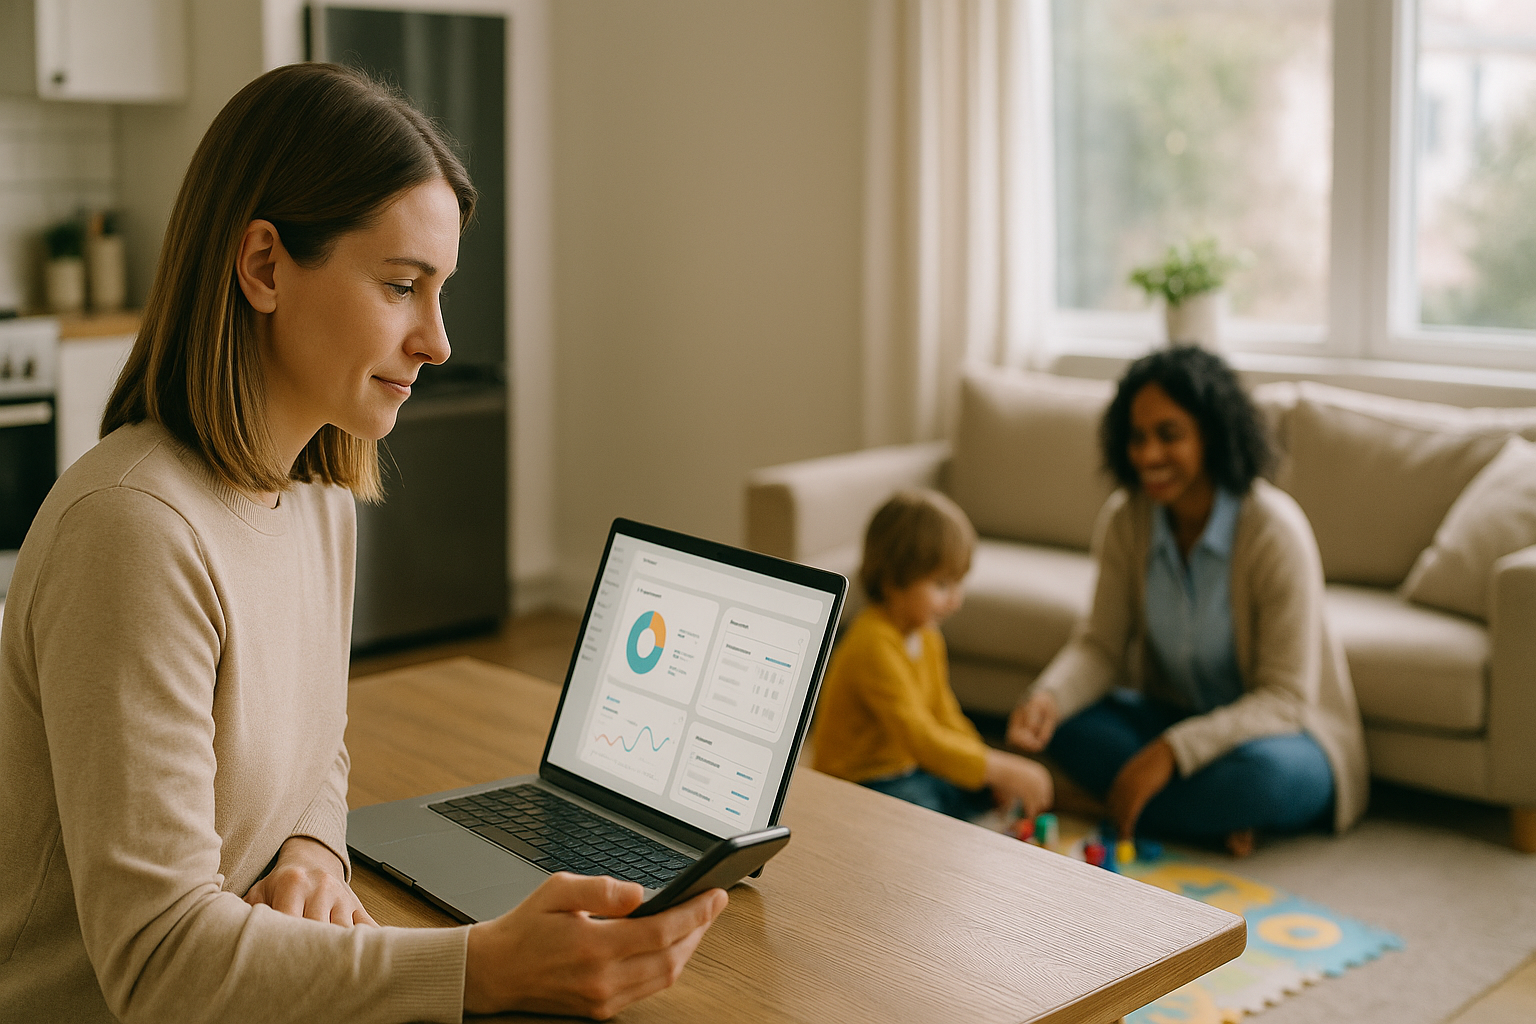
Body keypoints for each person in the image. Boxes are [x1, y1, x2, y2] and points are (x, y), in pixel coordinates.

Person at [0, 63, 724, 1023]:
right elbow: (158, 964)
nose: (437, 340)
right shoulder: (135, 532)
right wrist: (480, 968)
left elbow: (314, 752)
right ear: (263, 267)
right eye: (400, 286)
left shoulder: (318, 500)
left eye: (441, 293)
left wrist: (309, 850)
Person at [1007, 346, 1368, 856]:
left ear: (1212, 434)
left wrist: (1170, 754)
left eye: (1168, 435)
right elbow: (1100, 646)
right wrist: (1048, 697)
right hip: (1172, 716)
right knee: (1067, 726)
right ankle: (1200, 819)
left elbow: (1284, 699)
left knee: (1258, 781)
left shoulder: (1273, 530)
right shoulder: (1126, 519)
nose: (1148, 455)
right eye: (1137, 438)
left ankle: (1107, 800)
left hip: (1282, 737)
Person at [813, 490, 1053, 821]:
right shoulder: (872, 644)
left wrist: (987, 764)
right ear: (892, 579)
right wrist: (1000, 769)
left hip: (906, 767)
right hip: (856, 780)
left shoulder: (926, 635)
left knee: (973, 784)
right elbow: (920, 738)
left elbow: (944, 713)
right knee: (926, 815)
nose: (955, 600)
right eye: (941, 585)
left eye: (958, 583)